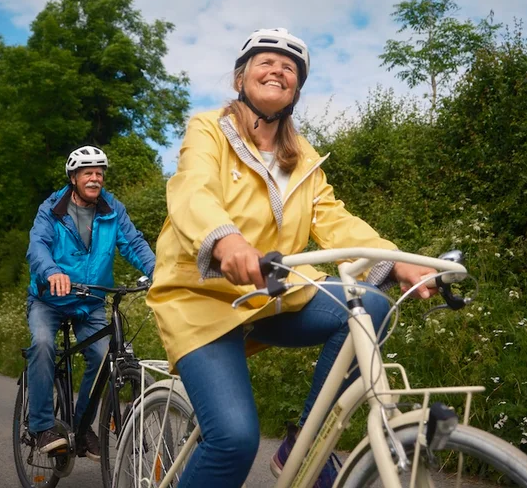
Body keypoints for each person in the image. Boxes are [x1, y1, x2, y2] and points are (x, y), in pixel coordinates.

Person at [146, 28, 437, 487]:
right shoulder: (208, 129)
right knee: (234, 440)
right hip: (201, 297)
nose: (278, 69)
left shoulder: (301, 157)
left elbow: (336, 218)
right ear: (241, 78)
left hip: (274, 289)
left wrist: (397, 259)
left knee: (369, 306)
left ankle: (304, 446)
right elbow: (193, 191)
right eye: (266, 61)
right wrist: (227, 242)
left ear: (295, 91)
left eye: (290, 68)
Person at [25, 145, 155, 460]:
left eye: (99, 173)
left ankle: (82, 427)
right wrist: (52, 271)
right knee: (43, 344)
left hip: (90, 301)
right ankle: (41, 427)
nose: (95, 178)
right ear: (74, 178)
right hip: (49, 298)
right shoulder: (51, 209)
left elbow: (133, 243)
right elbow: (37, 245)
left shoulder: (112, 210)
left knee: (103, 357)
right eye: (88, 173)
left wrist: (159, 272)